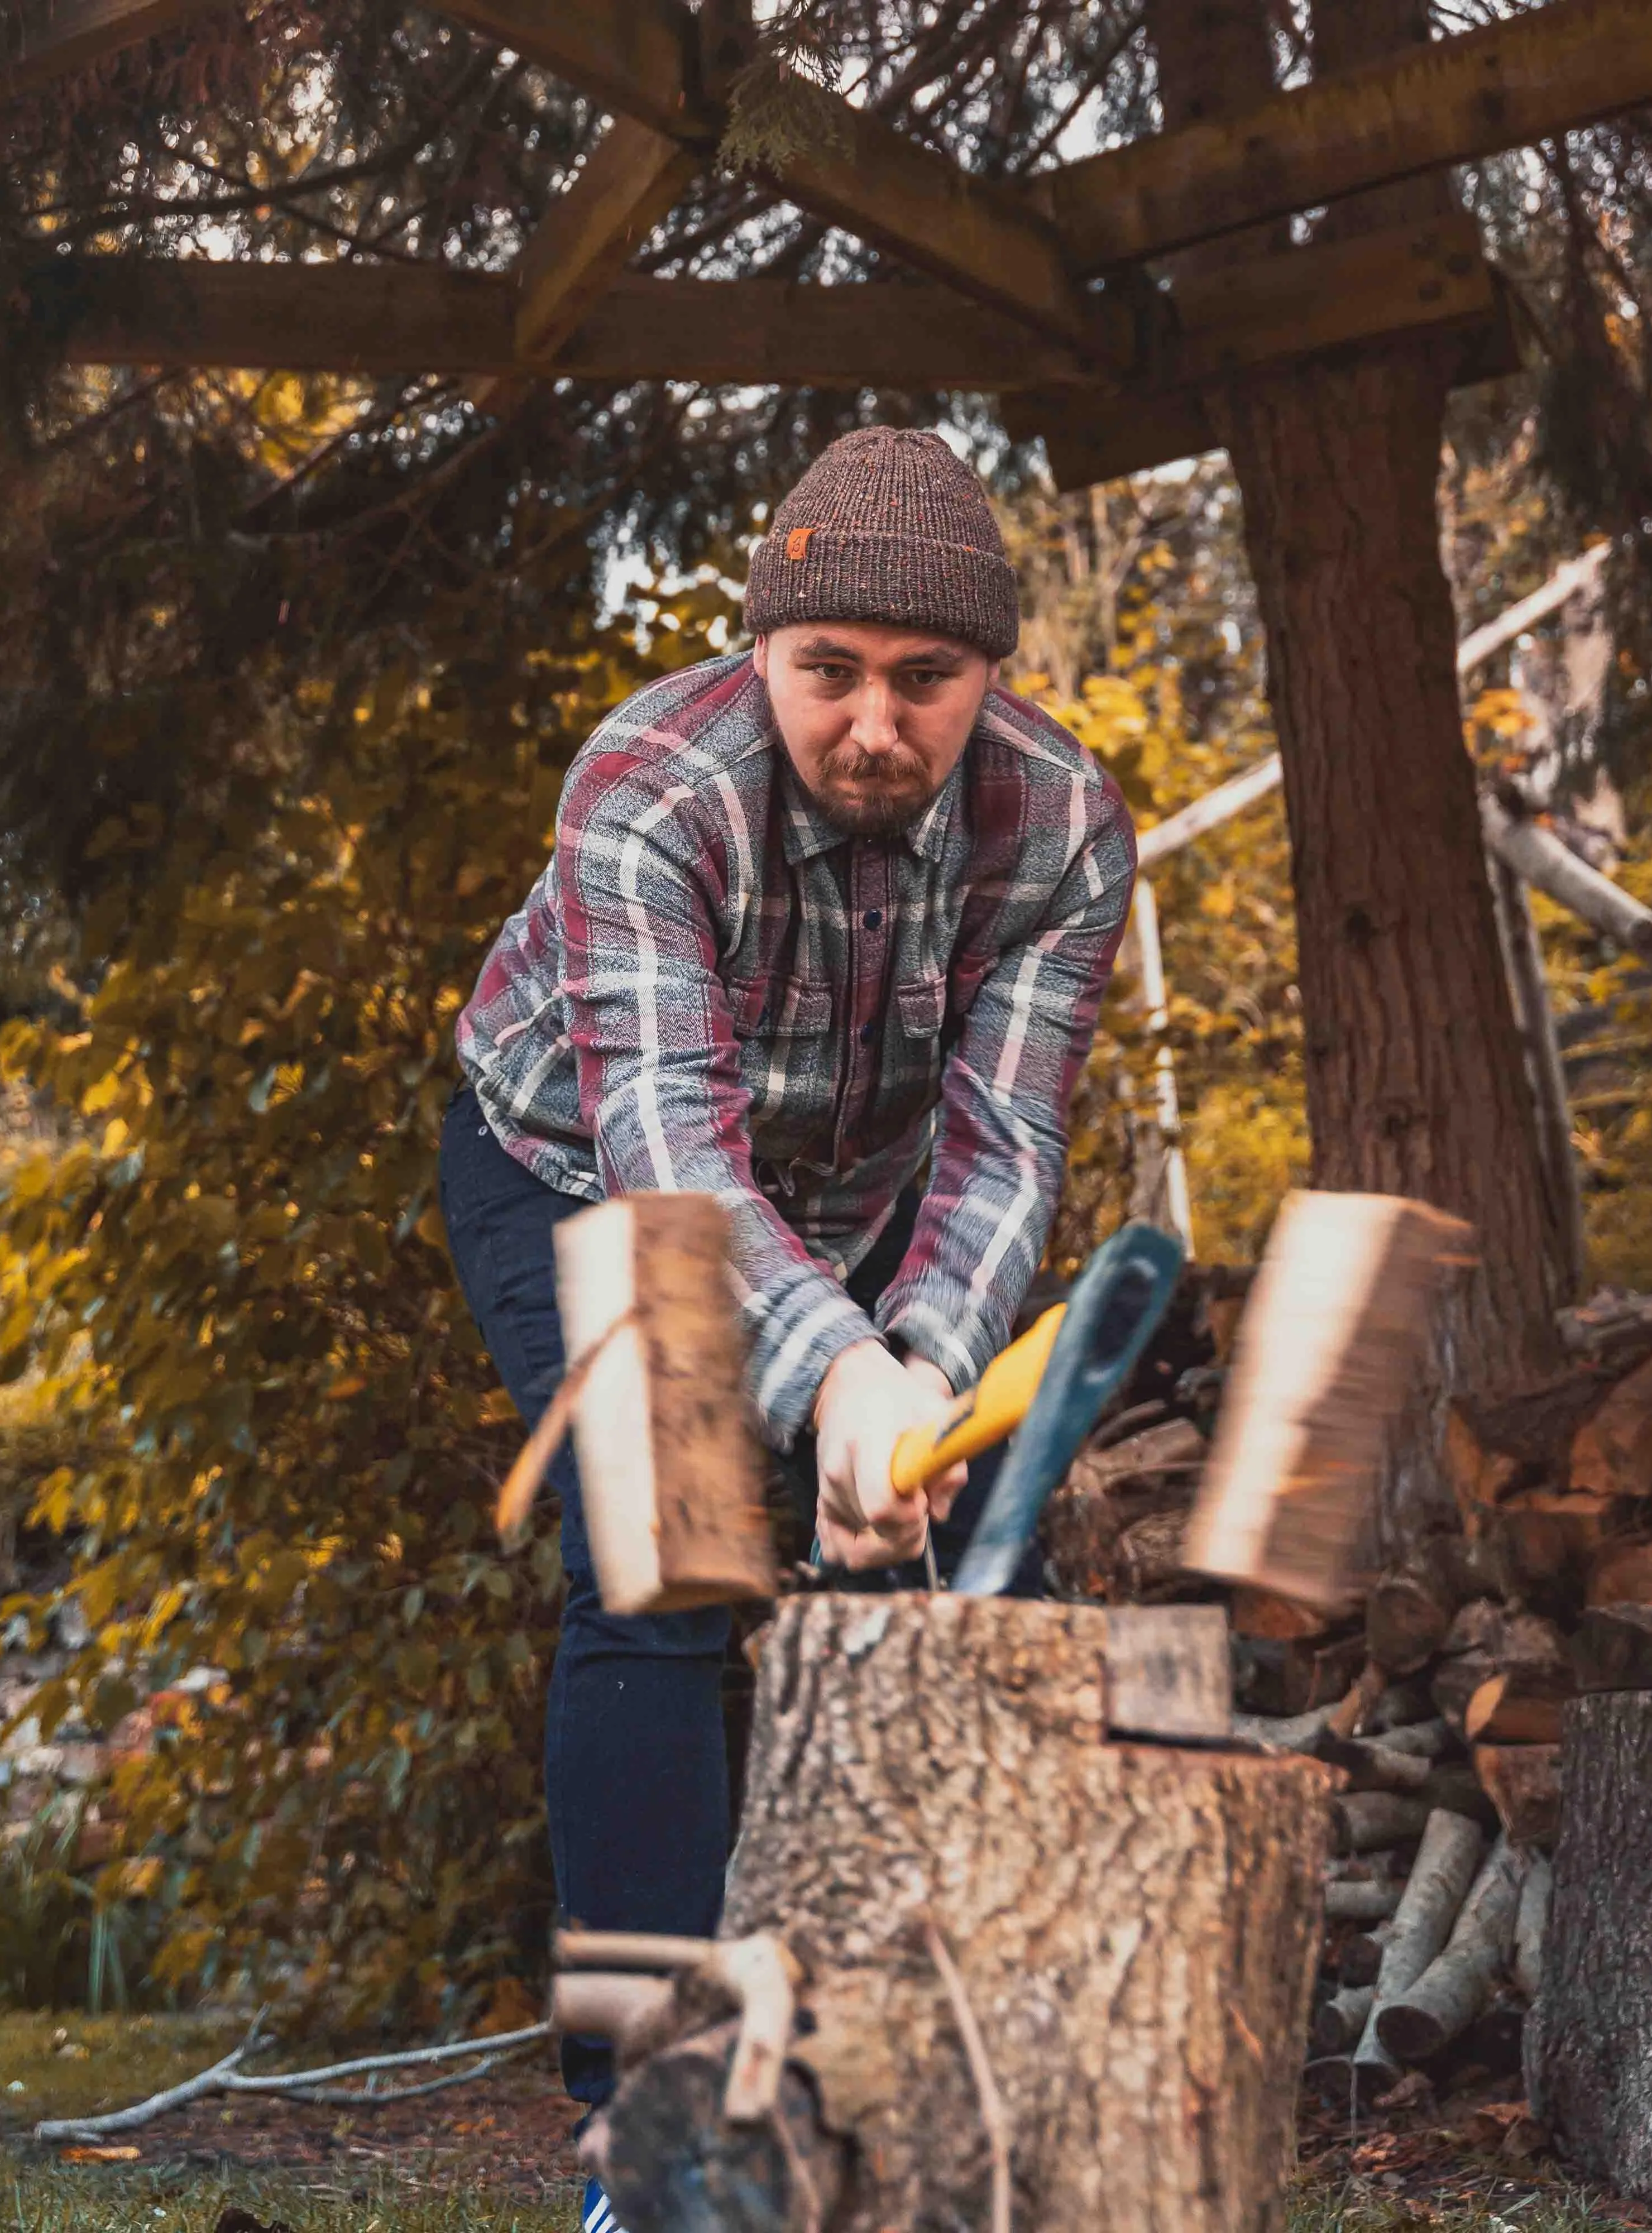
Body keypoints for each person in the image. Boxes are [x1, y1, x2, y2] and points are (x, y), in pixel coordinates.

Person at [438, 427, 1134, 2208]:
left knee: (981, 1568)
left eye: (928, 680)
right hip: (582, 1167)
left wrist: (912, 1378)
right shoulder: (650, 791)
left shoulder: (1065, 825)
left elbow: (1002, 1146)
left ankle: (969, 2119)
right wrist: (827, 1377)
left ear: (991, 672)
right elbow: (670, 1154)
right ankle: (642, 2144)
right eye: (830, 674)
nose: (876, 725)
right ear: (764, 657)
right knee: (660, 1563)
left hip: (879, 1190)